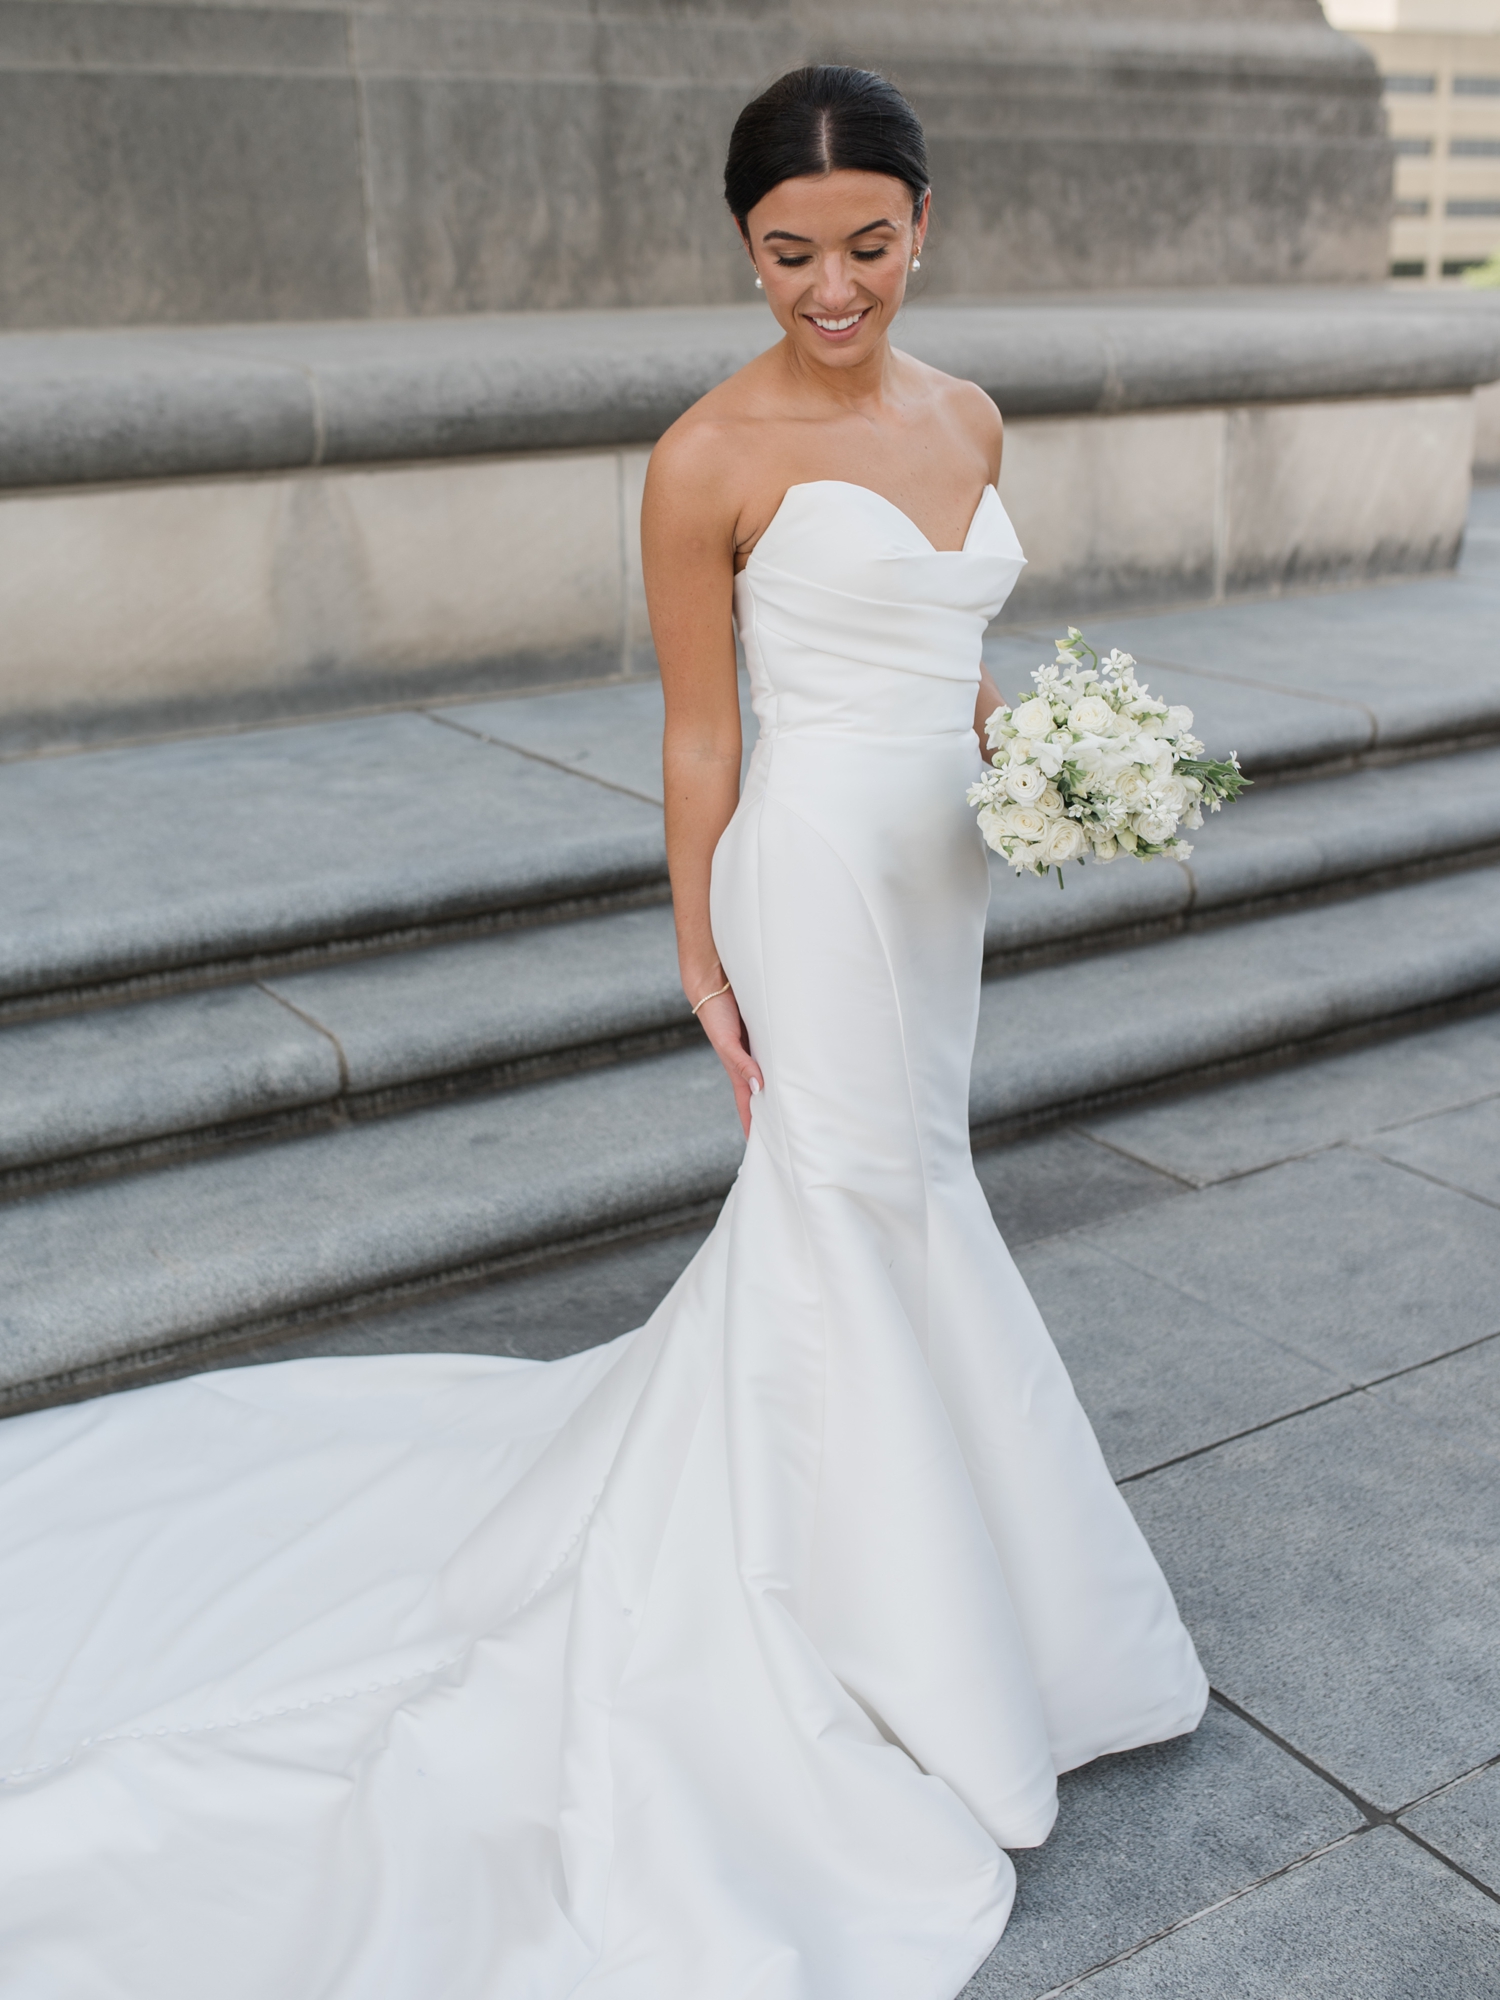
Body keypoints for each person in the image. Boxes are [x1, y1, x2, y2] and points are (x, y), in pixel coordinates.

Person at [0, 65, 1206, 2000]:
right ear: (746, 245)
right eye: (791, 253)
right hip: (803, 875)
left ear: (926, 224)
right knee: (845, 1201)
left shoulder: (971, 415)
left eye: (870, 246)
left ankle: (943, 1591)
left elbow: (954, 661)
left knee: (906, 1197)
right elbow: (703, 732)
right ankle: (875, 1635)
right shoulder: (703, 455)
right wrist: (697, 951)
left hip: (942, 878)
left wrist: (1060, 766)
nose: (834, 287)